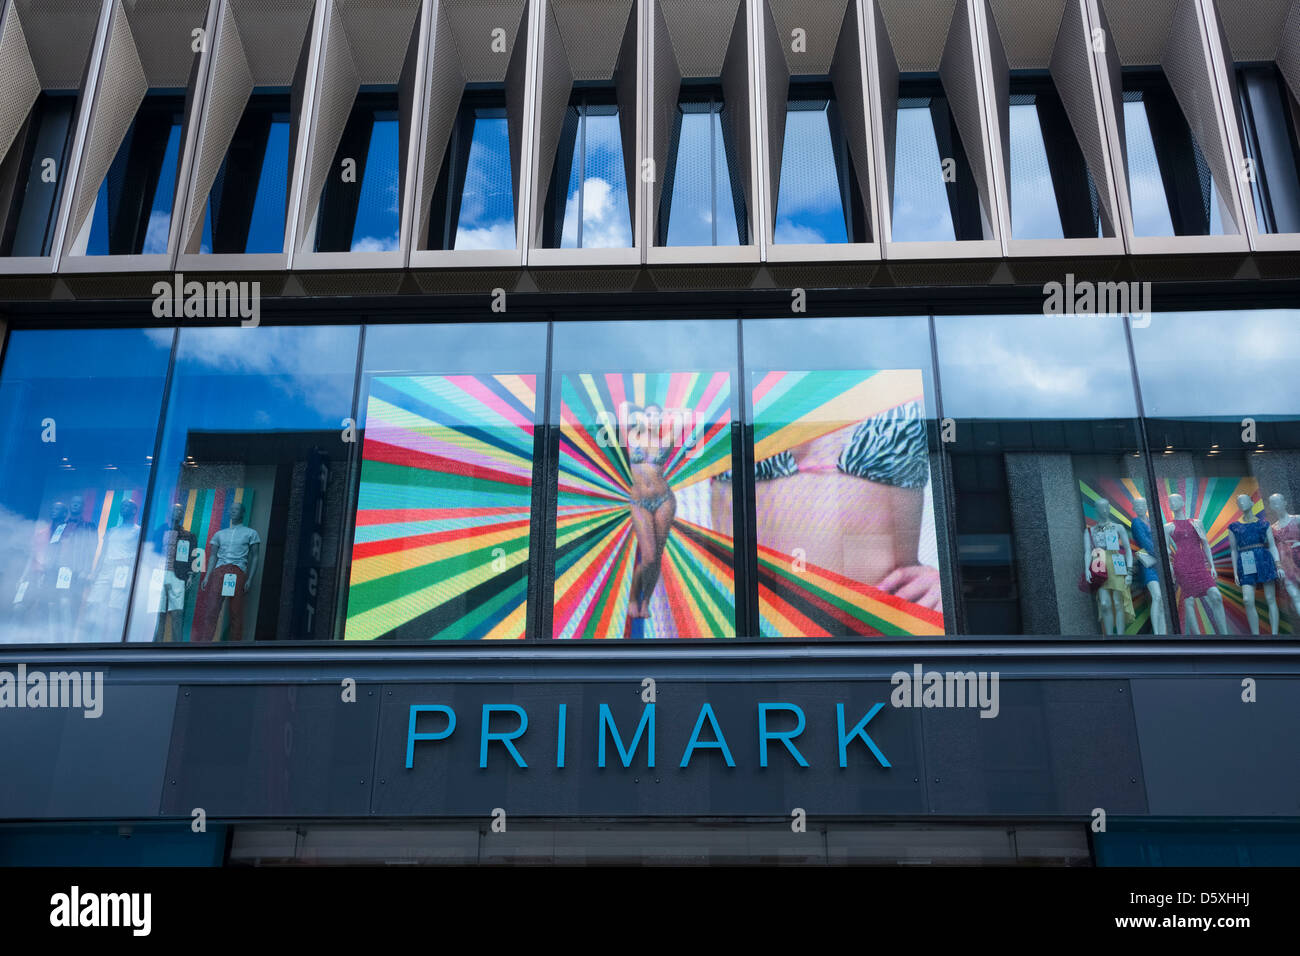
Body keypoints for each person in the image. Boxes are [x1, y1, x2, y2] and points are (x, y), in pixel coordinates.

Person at [713, 400, 940, 614]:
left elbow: (966, 463)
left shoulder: (910, 369)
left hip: (884, 628)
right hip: (750, 627)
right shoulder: (715, 378)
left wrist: (952, 580)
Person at [624, 404, 676, 619]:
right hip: (640, 502)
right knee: (648, 557)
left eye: (657, 415)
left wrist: (675, 414)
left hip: (664, 500)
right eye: (649, 415)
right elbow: (623, 408)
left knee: (656, 557)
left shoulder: (666, 440)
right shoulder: (630, 436)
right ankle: (633, 598)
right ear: (642, 417)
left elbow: (681, 423)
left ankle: (646, 602)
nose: (653, 419)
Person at [191, 501, 260, 642]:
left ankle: (235, 646)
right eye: (232, 509)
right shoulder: (219, 534)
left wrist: (250, 579)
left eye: (237, 509)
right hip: (219, 571)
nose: (233, 511)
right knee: (212, 609)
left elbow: (255, 556)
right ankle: (205, 643)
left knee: (236, 611)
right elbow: (213, 556)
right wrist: (207, 577)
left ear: (242, 512)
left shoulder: (251, 533)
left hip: (238, 570)